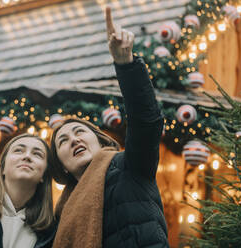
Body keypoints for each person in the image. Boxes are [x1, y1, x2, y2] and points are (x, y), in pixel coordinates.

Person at [50, 6, 169, 248]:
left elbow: (146, 122)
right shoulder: (62, 210)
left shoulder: (129, 166)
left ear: (102, 141)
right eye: (62, 141)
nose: (73, 140)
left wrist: (125, 64)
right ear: (60, 165)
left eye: (80, 132)